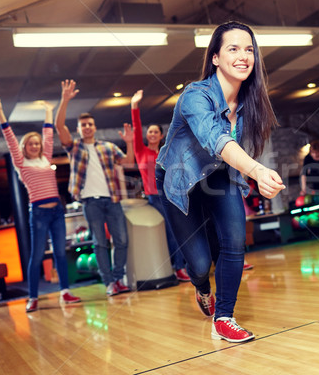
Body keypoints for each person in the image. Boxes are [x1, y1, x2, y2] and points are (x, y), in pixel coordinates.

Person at [155, 21, 285, 343]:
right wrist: (256, 172)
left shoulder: (247, 104)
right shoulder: (194, 97)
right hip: (180, 181)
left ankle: (224, 316)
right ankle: (201, 288)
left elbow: (232, 152)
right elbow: (215, 139)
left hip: (219, 176)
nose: (243, 56)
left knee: (234, 241)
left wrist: (252, 173)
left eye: (249, 49)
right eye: (233, 48)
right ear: (215, 57)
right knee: (199, 265)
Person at [0, 98, 81, 313]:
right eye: (31, 144)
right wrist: (0, 113)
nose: (36, 146)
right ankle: (33, 297)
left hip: (56, 211)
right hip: (38, 213)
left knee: (60, 254)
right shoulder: (21, 163)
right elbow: (9, 138)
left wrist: (49, 112)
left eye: (37, 143)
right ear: (25, 147)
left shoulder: (46, 159)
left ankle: (65, 291)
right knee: (36, 256)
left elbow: (48, 134)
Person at [55, 79, 134, 296]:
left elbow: (128, 162)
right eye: (83, 125)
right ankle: (109, 283)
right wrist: (64, 100)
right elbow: (59, 127)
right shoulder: (74, 148)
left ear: (95, 127)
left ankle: (118, 279)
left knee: (122, 241)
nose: (87, 127)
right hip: (90, 202)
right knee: (100, 243)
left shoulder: (107, 147)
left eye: (90, 124)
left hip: (112, 200)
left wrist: (129, 142)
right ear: (79, 129)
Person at [130, 90, 190, 282]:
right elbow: (136, 128)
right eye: (150, 132)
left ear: (161, 135)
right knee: (172, 231)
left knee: (182, 230)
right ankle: (179, 268)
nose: (152, 134)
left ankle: (184, 266)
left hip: (172, 195)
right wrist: (134, 106)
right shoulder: (141, 151)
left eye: (156, 131)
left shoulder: (166, 153)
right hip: (154, 198)